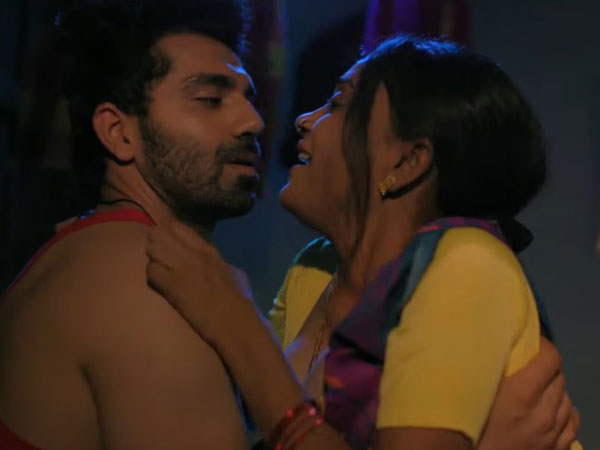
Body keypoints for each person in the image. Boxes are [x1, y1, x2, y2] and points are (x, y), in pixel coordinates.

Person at [146, 35, 582, 450]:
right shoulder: (315, 270)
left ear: (407, 162)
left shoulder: (467, 262)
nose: (304, 120)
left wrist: (237, 326)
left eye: (338, 104)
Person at [0, 0, 263, 448]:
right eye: (210, 100)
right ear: (118, 132)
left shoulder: (94, 250)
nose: (252, 121)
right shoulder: (151, 286)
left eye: (248, 97)